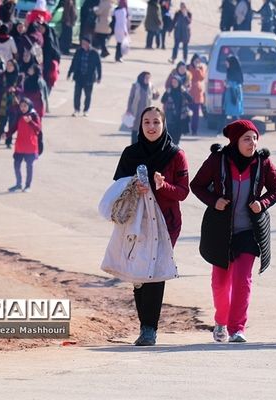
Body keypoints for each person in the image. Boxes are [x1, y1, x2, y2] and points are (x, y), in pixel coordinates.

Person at [190, 119, 276, 343]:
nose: (252, 143)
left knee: (243, 279)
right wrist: (215, 201)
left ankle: (237, 328)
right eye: (246, 138)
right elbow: (197, 185)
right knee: (220, 283)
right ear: (235, 141)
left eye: (254, 138)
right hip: (221, 231)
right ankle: (221, 322)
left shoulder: (262, 162)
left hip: (248, 232)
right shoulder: (218, 159)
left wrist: (262, 203)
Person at [113, 106, 190, 346]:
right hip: (136, 220)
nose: (151, 127)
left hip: (166, 222)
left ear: (164, 124)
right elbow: (117, 186)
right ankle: (144, 324)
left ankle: (149, 329)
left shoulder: (176, 155)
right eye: (147, 122)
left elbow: (183, 192)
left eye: (156, 122)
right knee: (139, 272)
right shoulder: (131, 153)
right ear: (140, 126)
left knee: (155, 271)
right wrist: (134, 186)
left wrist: (162, 186)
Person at [7, 97, 41, 193]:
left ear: (29, 106)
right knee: (16, 165)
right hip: (20, 145)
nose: (23, 108)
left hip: (30, 146)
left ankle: (28, 186)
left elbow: (38, 129)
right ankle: (18, 184)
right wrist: (6, 134)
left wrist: (30, 121)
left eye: (25, 106)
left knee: (29, 166)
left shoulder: (34, 115)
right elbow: (14, 127)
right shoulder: (19, 115)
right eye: (21, 106)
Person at [67, 37, 102, 117]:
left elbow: (99, 66)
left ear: (89, 43)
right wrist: (69, 73)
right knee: (77, 94)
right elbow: (73, 62)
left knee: (88, 95)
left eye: (85, 43)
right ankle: (76, 109)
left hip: (89, 78)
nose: (83, 45)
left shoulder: (94, 53)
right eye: (82, 43)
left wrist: (99, 77)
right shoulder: (79, 52)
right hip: (79, 76)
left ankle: (86, 110)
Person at [126, 71, 160, 144]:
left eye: (149, 78)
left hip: (146, 113)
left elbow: (153, 97)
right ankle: (134, 146)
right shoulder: (135, 86)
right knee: (135, 130)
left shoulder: (150, 86)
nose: (148, 79)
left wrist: (157, 95)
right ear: (142, 78)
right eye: (146, 78)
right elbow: (131, 98)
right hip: (136, 112)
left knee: (144, 131)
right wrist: (128, 109)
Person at [161, 74, 192, 144]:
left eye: (175, 82)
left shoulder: (182, 91)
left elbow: (190, 100)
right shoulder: (169, 91)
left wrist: (184, 92)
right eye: (172, 82)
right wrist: (166, 93)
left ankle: (175, 152)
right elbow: (162, 101)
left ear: (179, 82)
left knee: (177, 139)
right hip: (170, 118)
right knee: (169, 138)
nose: (174, 84)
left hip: (180, 118)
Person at [187, 53, 206, 135]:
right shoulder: (188, 67)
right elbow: (189, 76)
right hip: (189, 91)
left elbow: (201, 78)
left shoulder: (201, 68)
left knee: (196, 113)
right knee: (186, 111)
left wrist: (198, 69)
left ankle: (194, 130)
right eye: (196, 60)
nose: (197, 62)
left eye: (199, 61)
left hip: (198, 93)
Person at [223, 55, 243, 123]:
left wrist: (229, 85)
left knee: (235, 115)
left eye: (227, 63)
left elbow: (238, 83)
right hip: (231, 96)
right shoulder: (230, 70)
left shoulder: (235, 71)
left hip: (234, 96)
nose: (226, 64)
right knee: (233, 115)